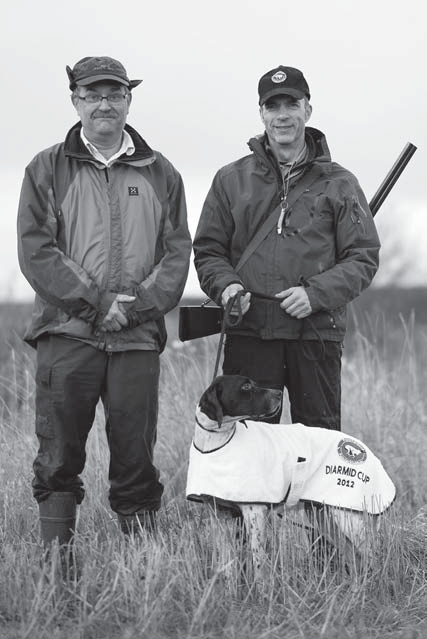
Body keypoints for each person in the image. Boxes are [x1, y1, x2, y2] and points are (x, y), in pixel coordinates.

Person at [17, 56, 191, 544]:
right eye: (92, 95)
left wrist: (131, 309)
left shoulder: (162, 172)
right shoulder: (47, 167)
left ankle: (141, 573)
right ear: (75, 101)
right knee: (58, 458)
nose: (104, 105)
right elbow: (37, 250)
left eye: (114, 94)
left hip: (135, 340)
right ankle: (57, 575)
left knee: (136, 461)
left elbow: (177, 254)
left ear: (129, 100)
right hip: (66, 334)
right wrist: (97, 303)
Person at [193, 65, 380, 431]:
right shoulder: (230, 179)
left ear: (307, 110)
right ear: (261, 113)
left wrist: (316, 294)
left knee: (319, 443)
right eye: (272, 106)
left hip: (315, 334)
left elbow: (363, 257)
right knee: (250, 445)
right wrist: (227, 286)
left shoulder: (340, 183)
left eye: (291, 104)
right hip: (250, 333)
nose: (282, 115)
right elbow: (208, 251)